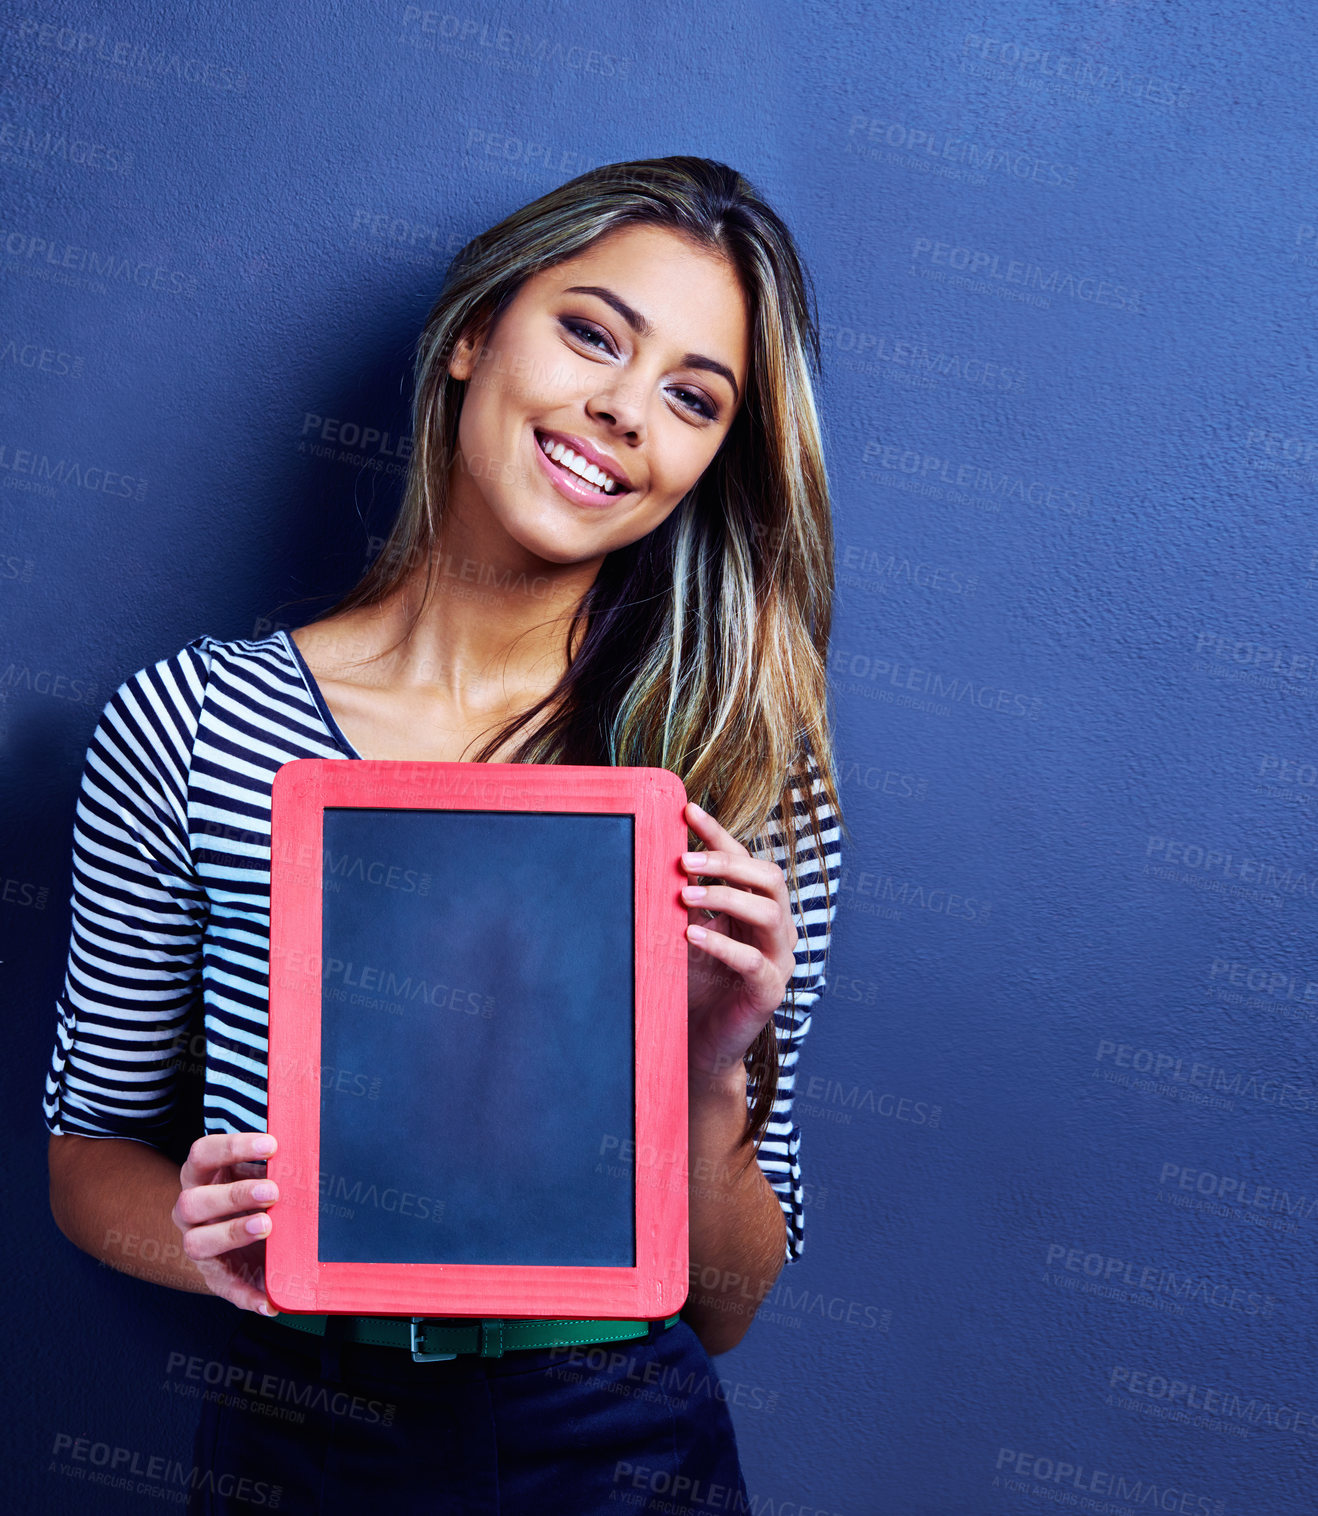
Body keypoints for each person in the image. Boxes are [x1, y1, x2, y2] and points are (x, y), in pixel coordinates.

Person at [44, 155, 844, 1513]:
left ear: (712, 461)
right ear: (474, 335)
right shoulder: (191, 723)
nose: (621, 409)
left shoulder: (741, 772)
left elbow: (725, 1307)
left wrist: (715, 1074)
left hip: (616, 1439)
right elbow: (89, 1154)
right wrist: (222, 1247)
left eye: (691, 398)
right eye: (592, 331)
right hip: (299, 1422)